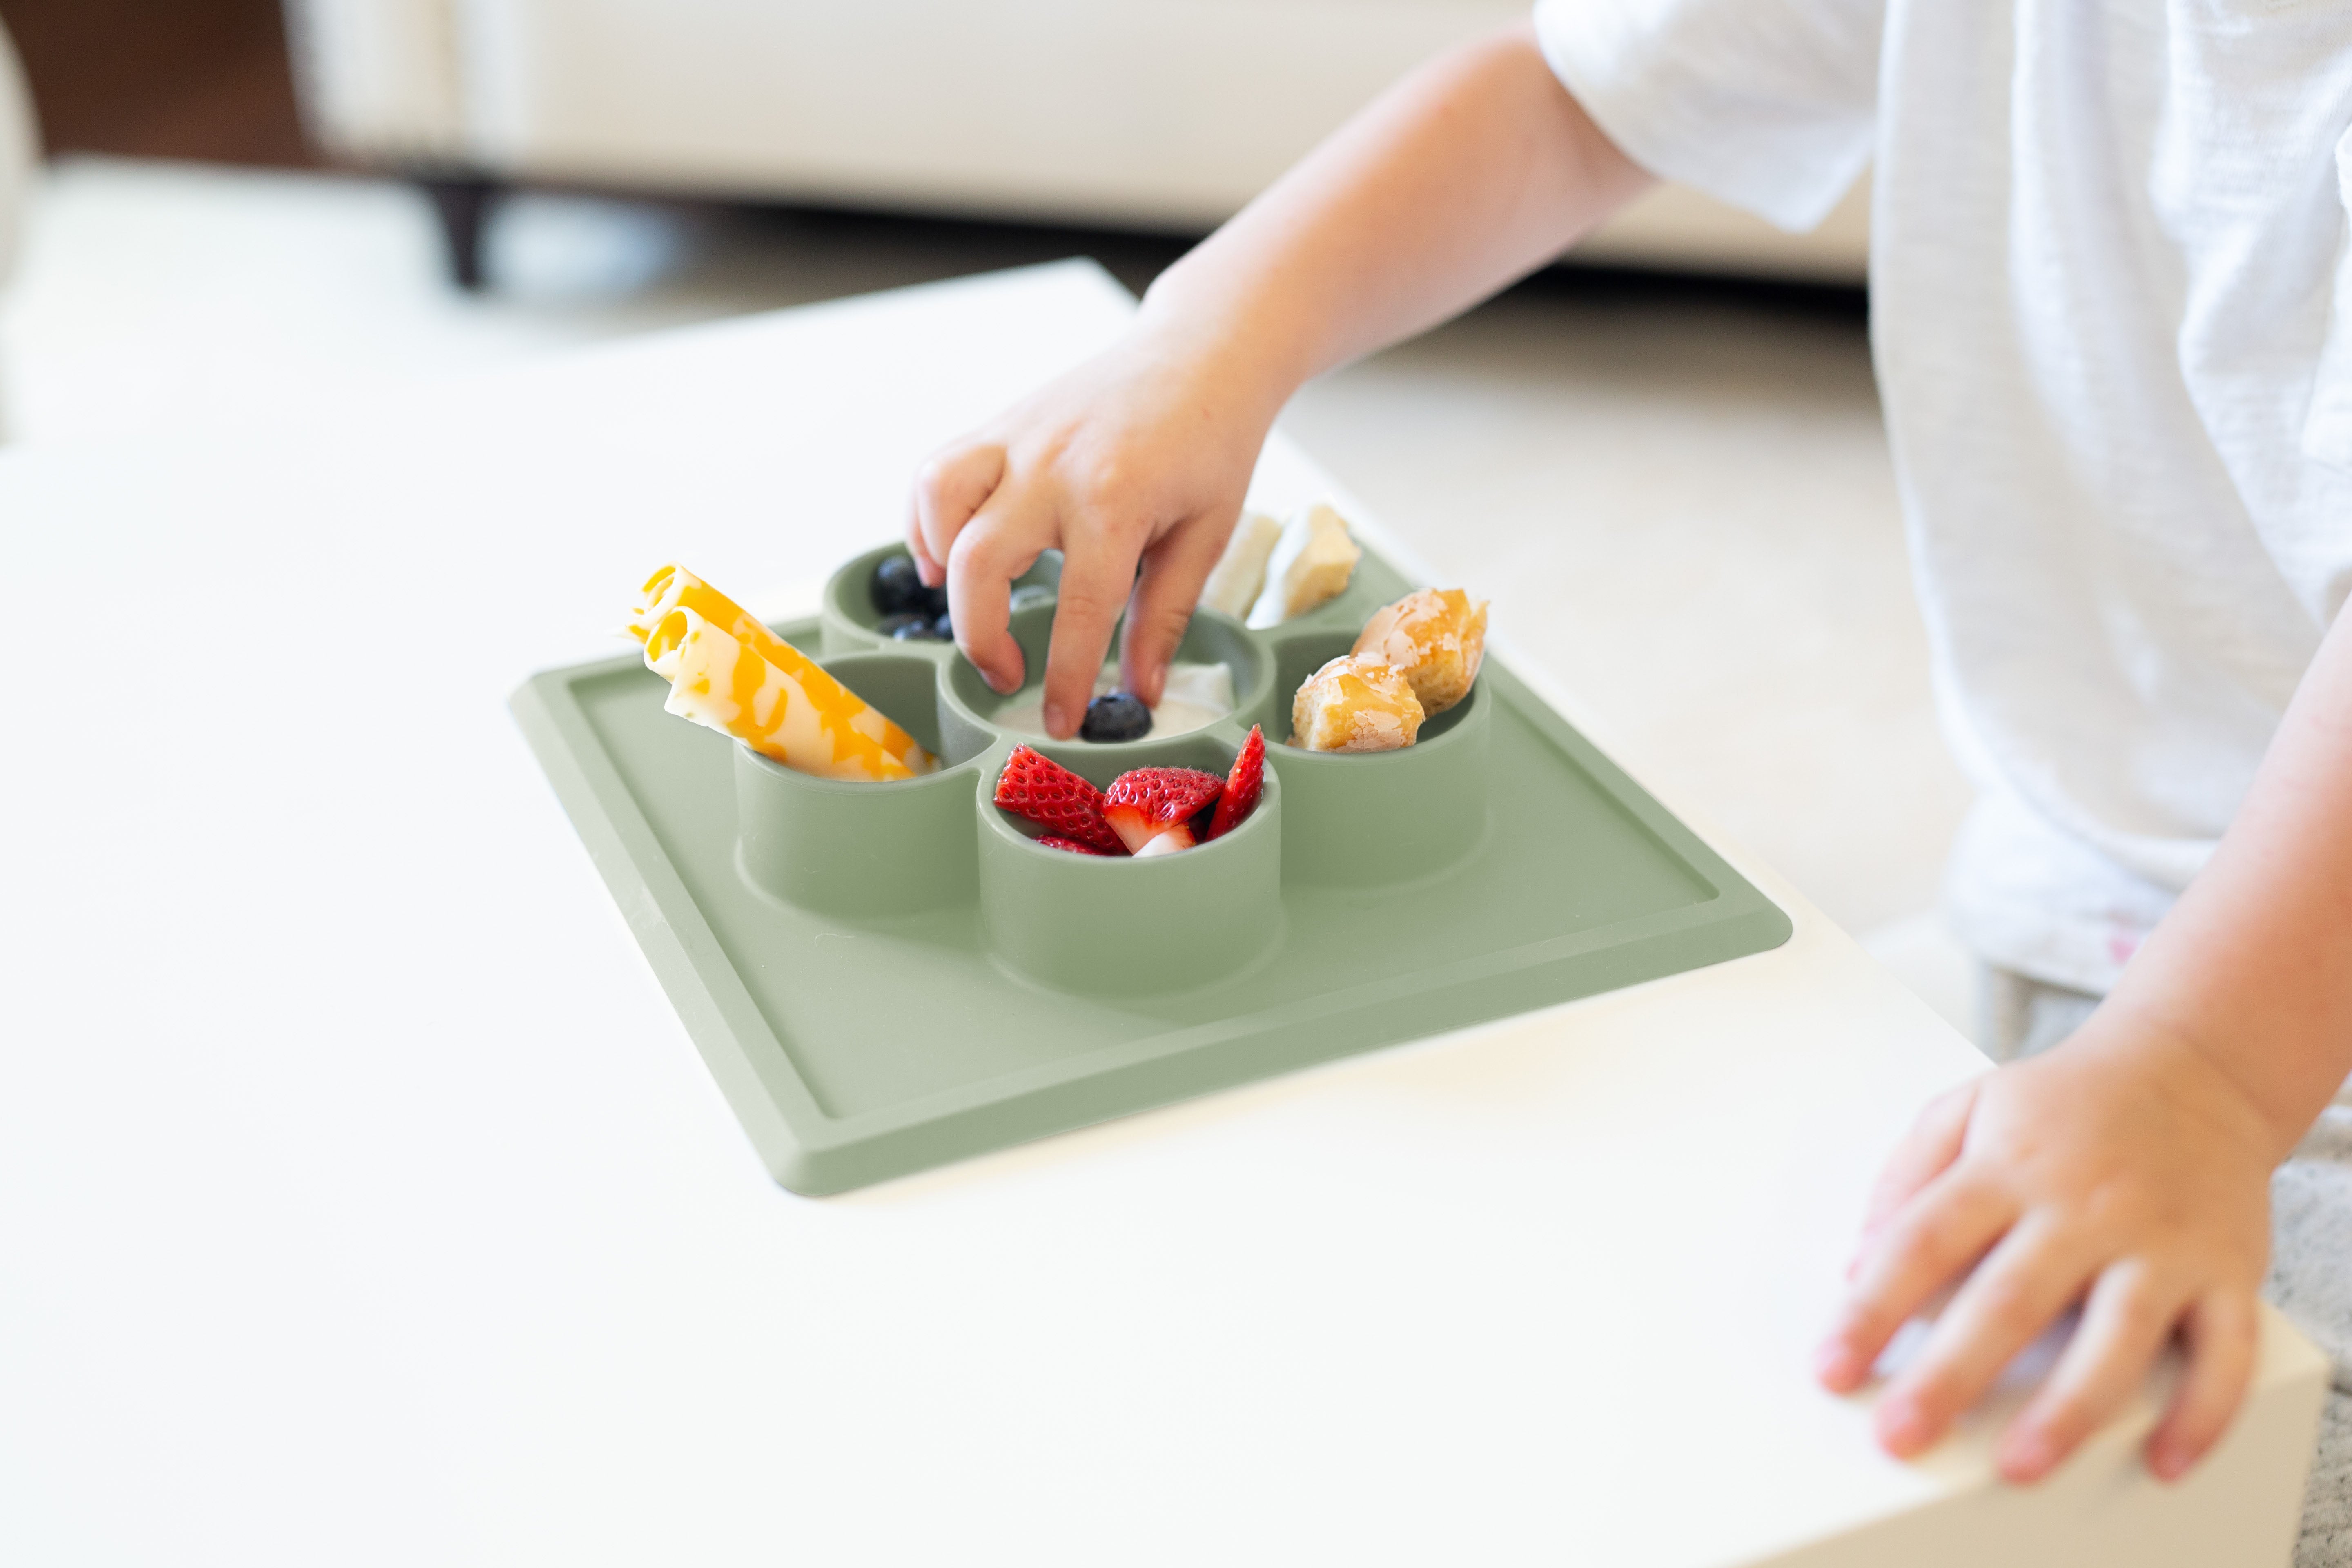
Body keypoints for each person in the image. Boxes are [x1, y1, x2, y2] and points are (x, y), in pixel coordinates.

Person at [901, 0, 2352, 1532]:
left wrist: (2200, 1075)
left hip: (2270, 1016)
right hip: (2086, 886)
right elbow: (1571, 97)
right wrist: (1210, 335)